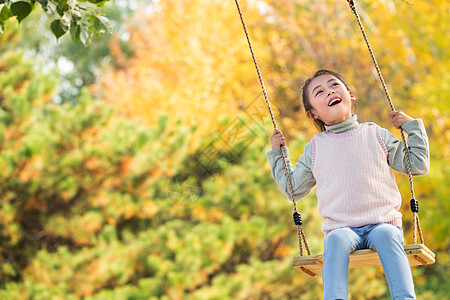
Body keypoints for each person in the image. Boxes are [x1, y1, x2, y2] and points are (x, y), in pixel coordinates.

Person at [266, 69, 429, 300]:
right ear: (313, 114)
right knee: (335, 239)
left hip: (382, 222)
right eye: (319, 92)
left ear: (350, 95)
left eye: (334, 85)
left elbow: (417, 165)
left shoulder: (376, 134)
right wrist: (276, 153)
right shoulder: (316, 148)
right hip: (341, 228)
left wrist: (412, 128)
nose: (329, 91)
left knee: (386, 235)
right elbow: (293, 189)